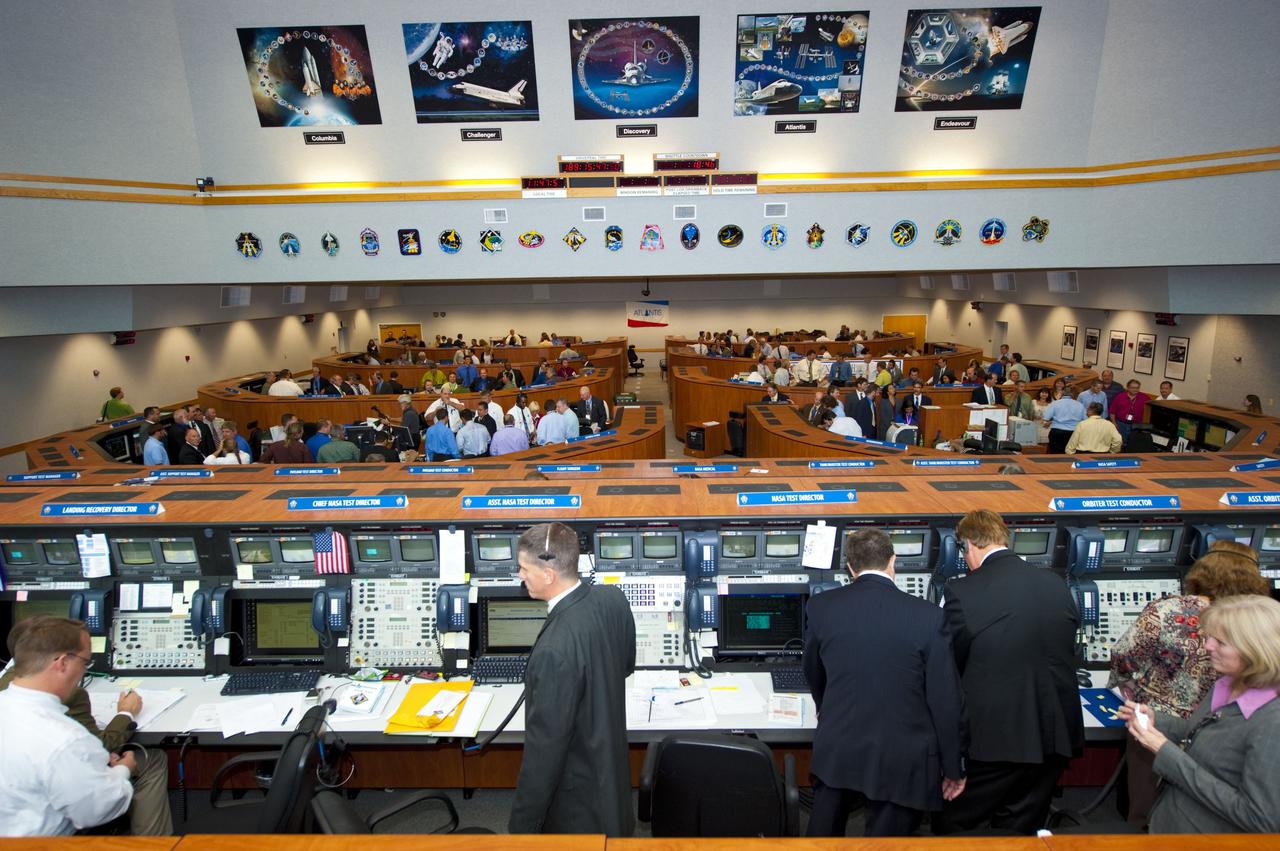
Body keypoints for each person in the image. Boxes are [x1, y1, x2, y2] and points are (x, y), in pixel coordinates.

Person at [804, 529, 968, 837]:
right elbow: (945, 699)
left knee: (823, 836)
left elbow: (813, 670)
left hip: (839, 743)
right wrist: (953, 766)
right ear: (893, 561)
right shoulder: (929, 616)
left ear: (850, 567)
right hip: (902, 755)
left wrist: (826, 707)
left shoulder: (821, 607)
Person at [935, 510, 1083, 835]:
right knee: (1021, 830)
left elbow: (947, 662)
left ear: (967, 545)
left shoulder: (962, 591)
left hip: (996, 739)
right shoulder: (1055, 583)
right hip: (1054, 733)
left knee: (955, 824)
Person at [1109, 549, 1272, 829]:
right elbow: (1198, 733)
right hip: (1172, 820)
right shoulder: (1225, 685)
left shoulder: (1271, 722)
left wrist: (1163, 750)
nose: (1207, 647)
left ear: (1255, 649)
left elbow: (1260, 819)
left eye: (1220, 642)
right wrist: (1158, 721)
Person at [508, 523, 635, 835]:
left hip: (577, 811)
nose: (520, 576)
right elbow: (624, 666)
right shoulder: (614, 599)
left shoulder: (553, 650)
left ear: (548, 574)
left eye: (524, 568)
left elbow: (544, 756)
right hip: (613, 783)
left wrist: (521, 828)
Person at [0, 616, 172, 835]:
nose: (84, 671)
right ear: (63, 663)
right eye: (85, 662)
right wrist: (122, 770)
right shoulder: (66, 740)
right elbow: (97, 810)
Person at [1109, 379, 1152, 447]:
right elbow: (1112, 411)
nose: (1135, 390)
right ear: (1128, 388)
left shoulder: (1145, 397)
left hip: (1136, 426)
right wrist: (1114, 423)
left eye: (1137, 388)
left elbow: (1150, 410)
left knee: (1133, 444)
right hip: (1121, 425)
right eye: (1133, 388)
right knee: (1120, 443)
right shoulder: (1120, 396)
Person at [1042, 389, 1086, 454]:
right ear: (1072, 395)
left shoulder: (1055, 403)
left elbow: (1046, 418)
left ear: (1062, 394)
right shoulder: (1079, 405)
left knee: (1055, 453)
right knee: (1071, 453)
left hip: (1057, 431)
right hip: (1073, 431)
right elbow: (1085, 419)